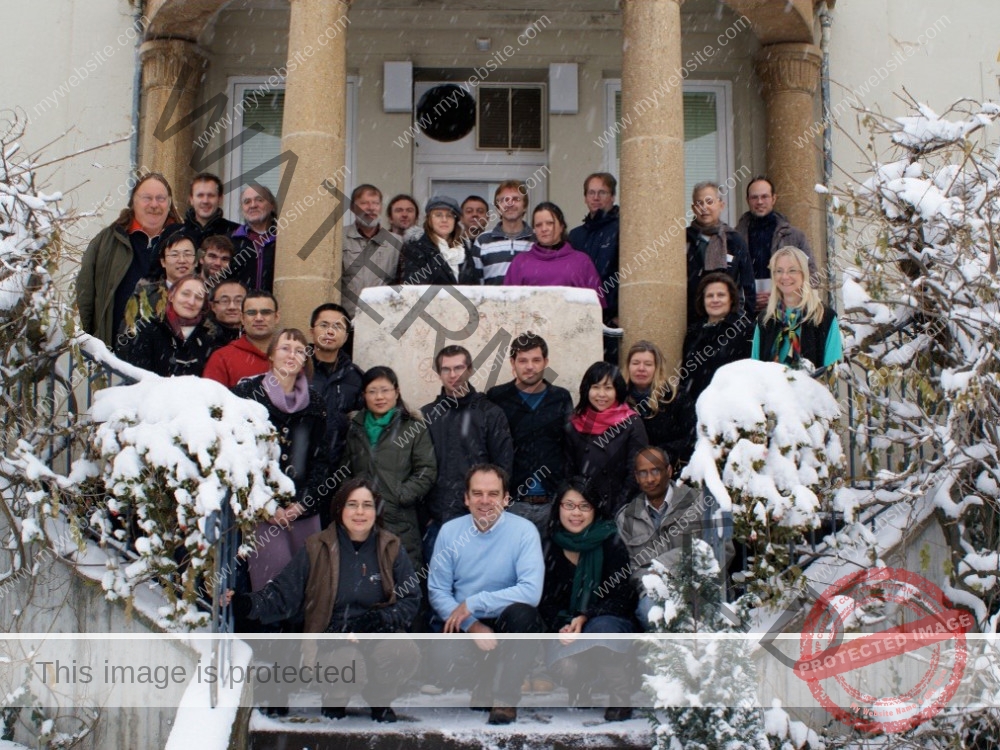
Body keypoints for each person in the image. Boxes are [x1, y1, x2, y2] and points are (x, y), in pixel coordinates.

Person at [228, 478, 421, 722]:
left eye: (367, 505)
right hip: (331, 639)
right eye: (352, 505)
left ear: (376, 510)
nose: (360, 512)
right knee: (346, 664)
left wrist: (381, 619)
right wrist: (245, 603)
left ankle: (380, 696)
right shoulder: (316, 547)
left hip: (376, 633)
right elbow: (282, 594)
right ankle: (335, 697)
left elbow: (411, 598)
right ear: (340, 510)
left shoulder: (391, 547)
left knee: (402, 651)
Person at [426, 464, 545, 725]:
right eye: (477, 493)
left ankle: (505, 698)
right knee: (442, 659)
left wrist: (474, 602)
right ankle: (485, 680)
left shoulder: (524, 531)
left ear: (505, 498)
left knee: (524, 615)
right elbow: (437, 590)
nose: (485, 501)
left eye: (493, 494)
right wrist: (472, 625)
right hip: (468, 626)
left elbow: (531, 592)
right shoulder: (450, 532)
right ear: (466, 498)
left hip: (509, 622)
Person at [231, 328, 331, 592]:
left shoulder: (317, 403)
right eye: (285, 348)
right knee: (273, 583)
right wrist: (266, 505)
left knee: (307, 583)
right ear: (272, 354)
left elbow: (321, 460)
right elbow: (238, 455)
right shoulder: (247, 395)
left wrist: (304, 503)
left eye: (299, 350)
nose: (292, 354)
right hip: (262, 510)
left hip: (302, 509)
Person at [539, 479, 637, 721]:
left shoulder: (611, 541)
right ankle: (583, 685)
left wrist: (586, 616)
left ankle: (620, 697)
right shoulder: (548, 546)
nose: (576, 513)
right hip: (567, 626)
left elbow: (623, 596)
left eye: (584, 506)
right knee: (565, 666)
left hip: (609, 624)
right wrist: (561, 624)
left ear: (595, 510)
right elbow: (544, 600)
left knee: (601, 632)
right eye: (569, 505)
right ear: (558, 508)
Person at [616, 447, 730, 628]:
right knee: (649, 613)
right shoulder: (627, 517)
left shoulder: (698, 502)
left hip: (698, 588)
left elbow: (723, 549)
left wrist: (666, 565)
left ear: (669, 471)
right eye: (643, 473)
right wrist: (653, 581)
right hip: (653, 593)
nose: (650, 479)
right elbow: (630, 568)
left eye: (655, 471)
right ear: (636, 477)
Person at [420, 345, 513, 562]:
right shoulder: (426, 416)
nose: (453, 375)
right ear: (439, 373)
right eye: (446, 369)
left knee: (477, 588)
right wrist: (425, 517)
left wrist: (488, 511)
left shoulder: (490, 413)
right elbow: (415, 468)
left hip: (479, 522)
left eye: (459, 368)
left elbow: (504, 467)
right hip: (436, 522)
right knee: (437, 589)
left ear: (469, 370)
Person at [344, 366, 437, 569]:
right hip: (361, 517)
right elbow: (345, 471)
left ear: (396, 392)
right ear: (364, 395)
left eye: (385, 390)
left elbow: (426, 470)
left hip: (399, 519)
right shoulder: (354, 427)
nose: (379, 397)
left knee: (400, 573)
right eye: (372, 391)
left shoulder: (413, 427)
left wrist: (399, 496)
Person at [76, 172, 182, 346]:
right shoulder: (106, 242)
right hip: (114, 357)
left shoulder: (187, 244)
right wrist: (89, 344)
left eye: (161, 198)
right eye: (147, 198)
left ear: (170, 203)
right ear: (134, 201)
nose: (154, 204)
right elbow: (84, 296)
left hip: (170, 358)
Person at [487, 333, 573, 537]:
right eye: (523, 360)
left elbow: (570, 446)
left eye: (536, 360)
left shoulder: (560, 397)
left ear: (546, 362)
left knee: (549, 565)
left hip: (551, 501)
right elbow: (490, 446)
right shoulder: (498, 397)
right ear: (512, 363)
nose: (529, 366)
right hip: (513, 502)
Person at [565, 362, 648, 515]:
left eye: (608, 388)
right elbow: (568, 471)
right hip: (583, 510)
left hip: (622, 509)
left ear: (617, 390)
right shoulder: (575, 423)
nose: (601, 394)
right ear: (587, 389)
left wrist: (618, 508)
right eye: (596, 387)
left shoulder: (631, 423)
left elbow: (636, 471)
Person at [309, 303, 363, 525]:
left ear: (346, 335)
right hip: (301, 472)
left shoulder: (356, 377)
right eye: (324, 325)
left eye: (338, 327)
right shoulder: (297, 367)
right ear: (312, 330)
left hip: (338, 475)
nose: (330, 331)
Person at [752, 246, 843, 374]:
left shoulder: (824, 317)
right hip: (773, 393)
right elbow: (756, 369)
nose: (785, 276)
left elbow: (832, 370)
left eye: (792, 270)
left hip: (812, 392)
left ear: (804, 274)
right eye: (779, 271)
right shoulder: (765, 320)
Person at [734, 176, 816, 311]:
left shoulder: (795, 237)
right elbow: (726, 280)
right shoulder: (734, 238)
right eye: (754, 197)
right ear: (747, 200)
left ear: (774, 198)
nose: (759, 202)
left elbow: (813, 276)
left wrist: (780, 294)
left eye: (764, 196)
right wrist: (746, 297)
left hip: (785, 313)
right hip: (744, 315)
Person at [116, 275, 222, 376]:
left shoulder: (209, 338)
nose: (191, 302)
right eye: (185, 294)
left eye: (198, 297)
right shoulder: (148, 329)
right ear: (171, 296)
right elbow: (137, 376)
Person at [503, 202, 604, 308]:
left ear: (561, 226)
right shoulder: (520, 262)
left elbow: (596, 307)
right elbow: (507, 306)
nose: (544, 229)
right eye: (538, 225)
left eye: (549, 223)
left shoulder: (582, 262)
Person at [568, 173, 621, 361]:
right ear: (585, 198)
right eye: (591, 193)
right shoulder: (575, 236)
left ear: (613, 196)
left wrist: (620, 313)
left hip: (611, 320)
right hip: (581, 317)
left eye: (602, 192)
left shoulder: (623, 229)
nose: (596, 198)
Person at [685, 181, 755, 322]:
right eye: (699, 203)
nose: (704, 207)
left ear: (721, 205)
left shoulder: (734, 241)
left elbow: (748, 286)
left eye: (709, 202)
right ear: (693, 208)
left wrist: (744, 323)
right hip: (691, 323)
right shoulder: (684, 240)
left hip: (728, 324)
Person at [681, 272, 754, 404]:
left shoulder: (745, 330)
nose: (715, 300)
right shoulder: (693, 333)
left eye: (721, 295)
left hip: (731, 406)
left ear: (731, 298)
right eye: (709, 296)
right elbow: (686, 374)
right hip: (696, 407)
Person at [624, 340, 696, 468]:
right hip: (627, 469)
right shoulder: (618, 397)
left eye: (648, 364)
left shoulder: (675, 396)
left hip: (667, 470)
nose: (641, 368)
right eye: (635, 363)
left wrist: (660, 455)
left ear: (657, 368)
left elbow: (690, 436)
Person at [119, 227, 198, 339]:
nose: (182, 260)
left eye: (187, 254)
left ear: (196, 262)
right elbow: (126, 337)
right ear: (163, 261)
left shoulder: (206, 295)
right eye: (174, 255)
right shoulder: (144, 295)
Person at [341, 184, 400, 317]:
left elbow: (400, 283)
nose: (371, 208)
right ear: (352, 208)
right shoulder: (340, 238)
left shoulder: (396, 242)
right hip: (346, 318)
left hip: (382, 318)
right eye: (364, 203)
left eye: (375, 203)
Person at [202, 290, 280, 387]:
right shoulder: (222, 358)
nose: (259, 318)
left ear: (276, 317)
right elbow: (211, 399)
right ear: (242, 318)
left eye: (266, 312)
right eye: (251, 313)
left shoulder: (291, 356)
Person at [398, 196, 480, 286]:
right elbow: (414, 288)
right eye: (438, 215)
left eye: (449, 215)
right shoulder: (416, 248)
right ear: (430, 220)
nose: (444, 220)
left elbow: (474, 285)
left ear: (455, 221)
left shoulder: (465, 248)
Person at [471, 181, 535, 285]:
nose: (510, 203)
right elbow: (477, 286)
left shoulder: (537, 240)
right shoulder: (482, 241)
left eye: (516, 199)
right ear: (497, 208)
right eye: (504, 200)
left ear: (525, 206)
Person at [229, 184, 278, 292]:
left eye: (259, 200)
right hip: (239, 307)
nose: (253, 205)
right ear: (242, 209)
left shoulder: (283, 240)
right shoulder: (231, 241)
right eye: (247, 202)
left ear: (272, 206)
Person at [182, 172, 239, 246]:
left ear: (220, 199)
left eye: (211, 195)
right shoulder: (175, 232)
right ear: (191, 199)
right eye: (200, 195)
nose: (205, 201)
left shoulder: (237, 233)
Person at [207, 280, 246, 345]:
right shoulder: (204, 338)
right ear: (213, 306)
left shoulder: (255, 336)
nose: (232, 307)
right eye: (225, 301)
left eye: (239, 301)